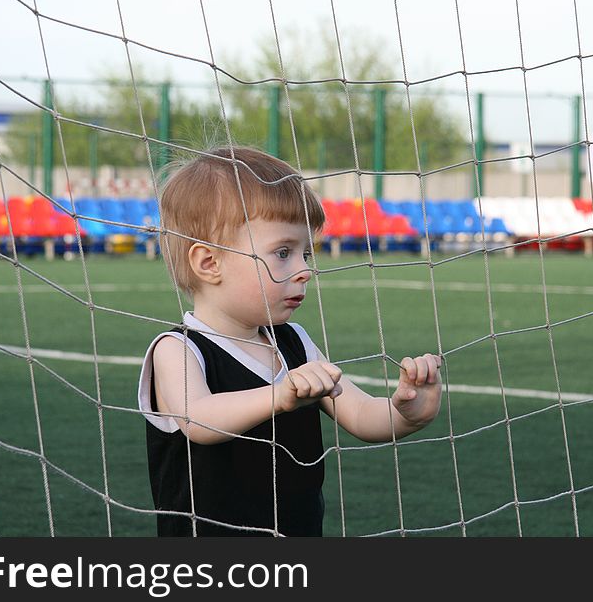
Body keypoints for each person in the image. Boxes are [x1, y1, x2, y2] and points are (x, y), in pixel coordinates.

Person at [137, 147, 442, 536]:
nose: (304, 270)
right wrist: (279, 396)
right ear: (209, 263)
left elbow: (361, 413)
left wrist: (405, 414)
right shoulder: (177, 349)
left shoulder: (295, 342)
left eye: (306, 253)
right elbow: (199, 419)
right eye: (283, 253)